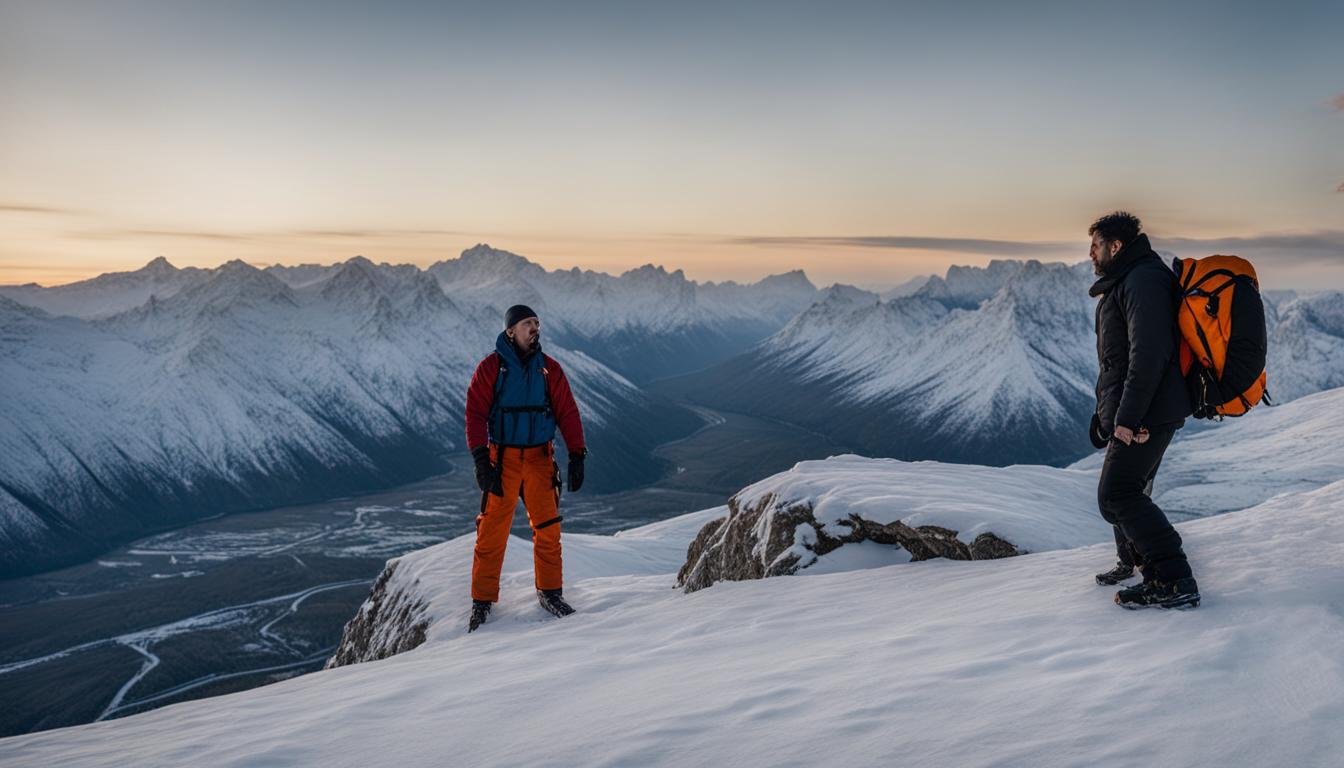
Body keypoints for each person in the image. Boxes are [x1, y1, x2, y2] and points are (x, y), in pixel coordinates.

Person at [1086, 212, 1200, 609]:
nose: (1090, 253)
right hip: (1139, 409)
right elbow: (1115, 361)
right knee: (1127, 490)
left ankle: (1173, 579)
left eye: (1096, 245)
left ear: (1116, 246)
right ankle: (1133, 559)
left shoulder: (1143, 280)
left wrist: (1128, 419)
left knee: (1116, 494)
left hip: (1148, 413)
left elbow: (1147, 356)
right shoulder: (1128, 279)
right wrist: (1106, 415)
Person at [463, 304, 587, 631]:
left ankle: (550, 592)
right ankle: (482, 600)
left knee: (548, 528)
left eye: (536, 323)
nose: (535, 328)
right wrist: (480, 459)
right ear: (510, 331)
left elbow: (567, 412)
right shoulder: (491, 368)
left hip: (539, 459)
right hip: (501, 459)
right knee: (491, 531)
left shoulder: (550, 369)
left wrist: (577, 454)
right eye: (527, 323)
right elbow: (475, 414)